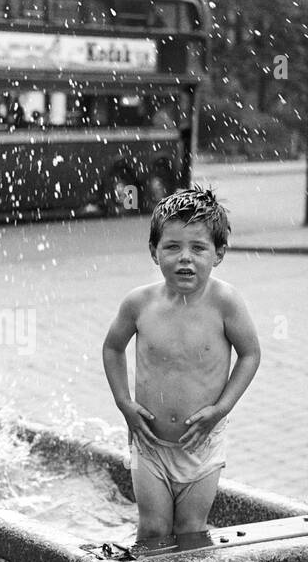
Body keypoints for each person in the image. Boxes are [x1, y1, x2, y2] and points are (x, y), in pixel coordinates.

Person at [102, 189, 261, 543]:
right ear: (154, 252)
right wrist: (123, 403)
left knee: (190, 530)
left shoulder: (225, 303)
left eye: (198, 248)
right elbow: (113, 348)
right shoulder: (139, 303)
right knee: (154, 529)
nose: (184, 258)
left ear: (218, 254)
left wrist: (221, 409)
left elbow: (250, 354)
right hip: (149, 442)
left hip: (203, 442)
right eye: (172, 247)